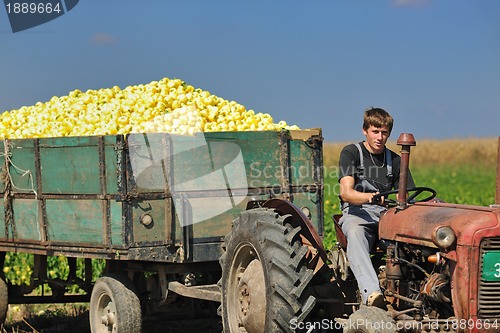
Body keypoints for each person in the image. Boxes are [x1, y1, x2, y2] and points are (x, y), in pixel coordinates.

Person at [337, 107, 414, 308]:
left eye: (384, 132)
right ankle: (372, 294)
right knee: (354, 232)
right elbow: (346, 192)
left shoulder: (396, 160)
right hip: (358, 213)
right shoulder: (352, 152)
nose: (380, 137)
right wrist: (369, 197)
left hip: (386, 215)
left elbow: (406, 194)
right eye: (375, 131)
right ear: (365, 130)